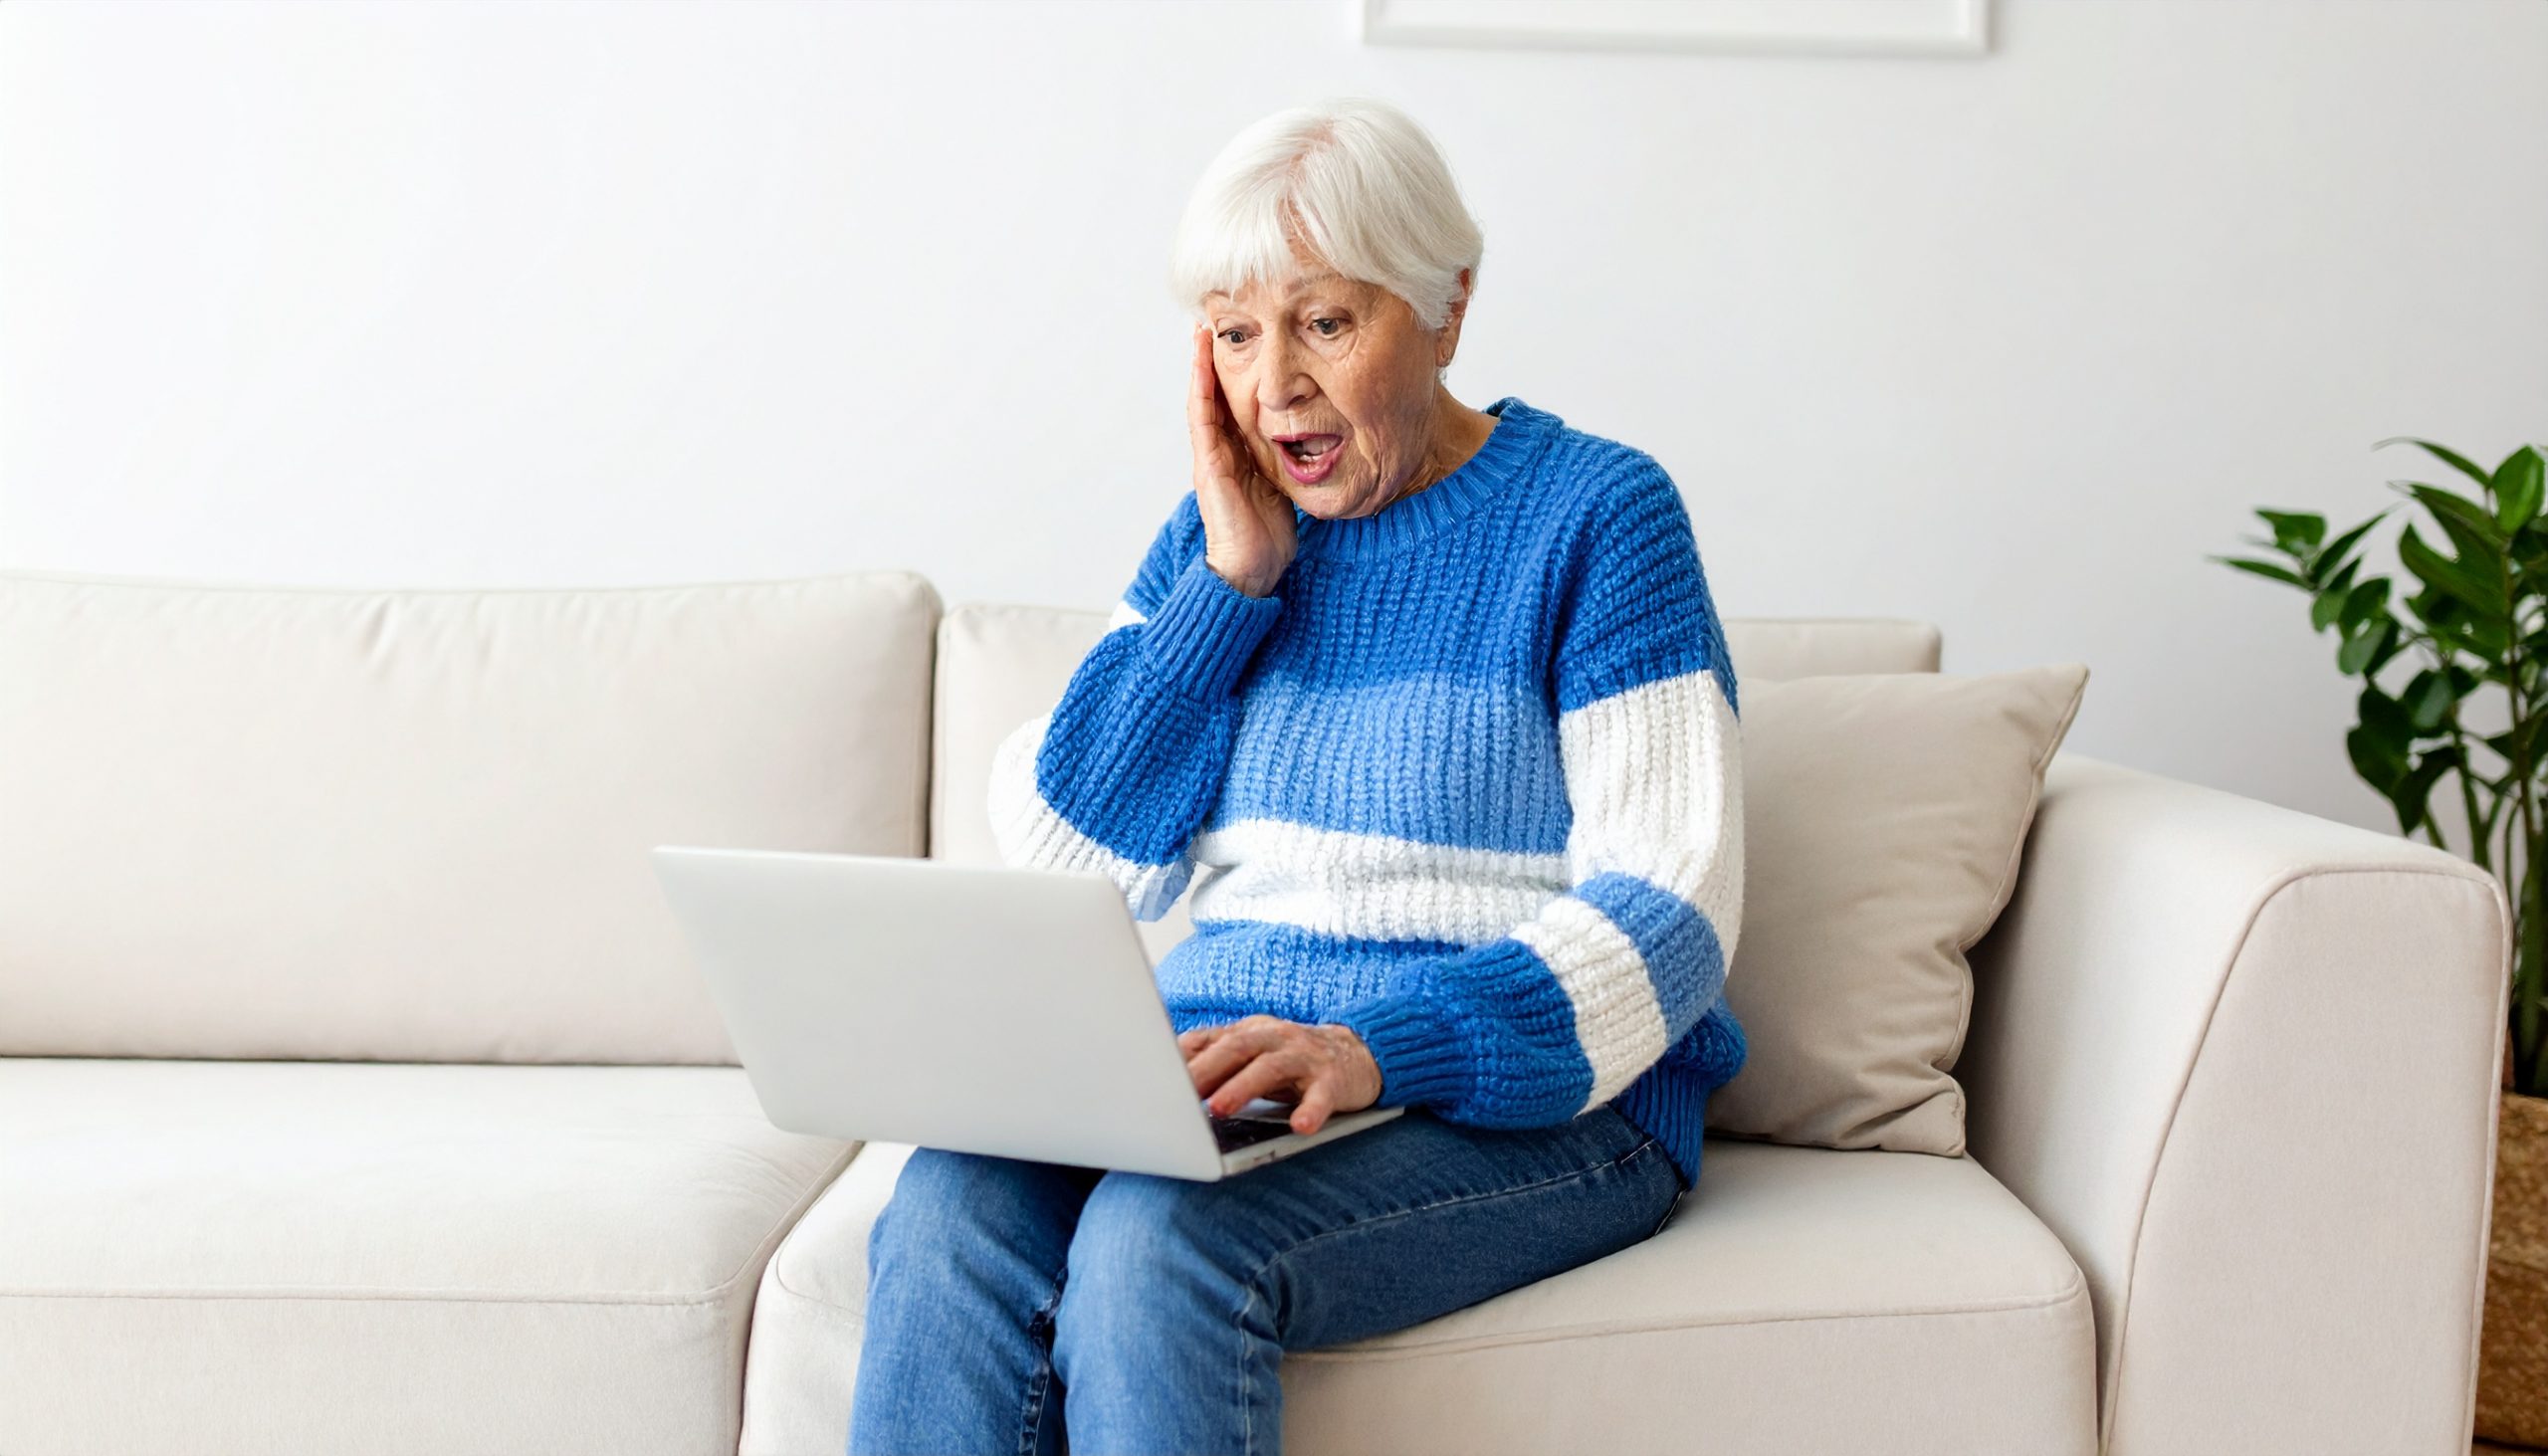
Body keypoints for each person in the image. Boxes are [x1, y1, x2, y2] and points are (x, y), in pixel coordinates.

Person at [847, 95, 1746, 1456]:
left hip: (1535, 1099)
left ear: (1446, 308)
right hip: (1225, 1076)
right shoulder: (1220, 541)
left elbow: (1668, 909)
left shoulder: (1599, 515)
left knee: (1163, 1241)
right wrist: (1229, 588)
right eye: (1233, 332)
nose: (1274, 387)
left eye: (1324, 322)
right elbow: (1065, 866)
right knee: (948, 1208)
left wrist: (1378, 1048)